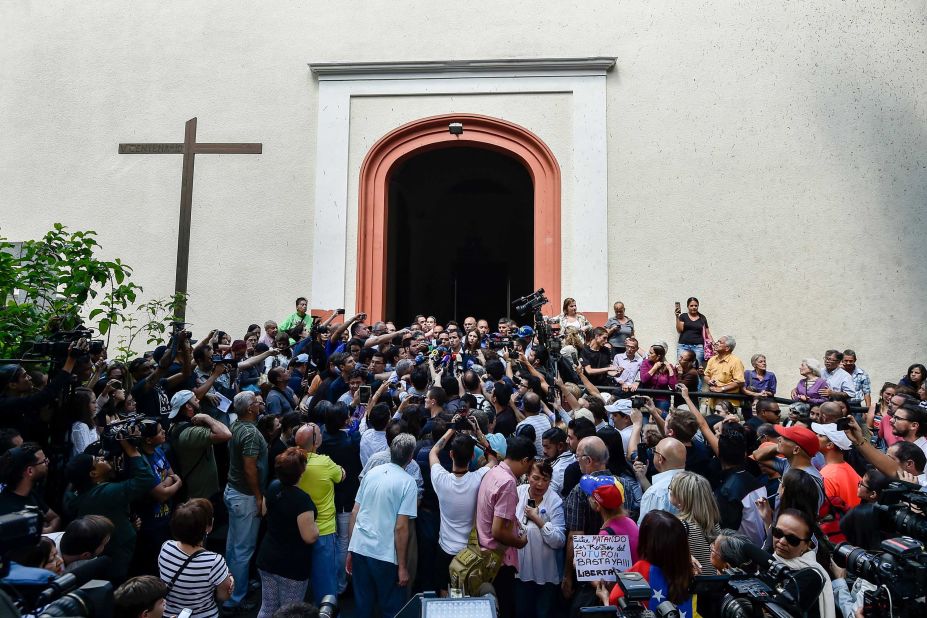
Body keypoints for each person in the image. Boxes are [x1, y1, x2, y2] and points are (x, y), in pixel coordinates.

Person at [64, 435, 157, 582]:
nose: (103, 458)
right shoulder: (104, 493)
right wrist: (132, 451)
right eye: (98, 460)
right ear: (93, 474)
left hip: (108, 553)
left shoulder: (75, 495)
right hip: (117, 558)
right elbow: (145, 480)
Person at [347, 433, 419, 618]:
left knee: (362, 605)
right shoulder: (408, 483)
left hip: (360, 548)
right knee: (392, 608)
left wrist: (350, 549)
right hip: (385, 555)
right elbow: (401, 527)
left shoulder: (371, 473)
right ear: (410, 457)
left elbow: (355, 512)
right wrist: (402, 566)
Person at [429, 420, 495, 596]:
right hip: (470, 551)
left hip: (445, 550)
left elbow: (434, 451)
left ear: (450, 454)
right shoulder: (478, 478)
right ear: (473, 457)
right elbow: (493, 459)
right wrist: (479, 435)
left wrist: (451, 428)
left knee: (445, 592)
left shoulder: (440, 479)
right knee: (469, 592)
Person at [475, 435, 536, 618]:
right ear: (525, 461)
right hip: (498, 560)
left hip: (484, 553)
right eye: (530, 464)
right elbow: (498, 530)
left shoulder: (493, 472)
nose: (530, 469)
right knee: (504, 607)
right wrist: (520, 542)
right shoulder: (508, 483)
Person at [257, 447, 320, 618]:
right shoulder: (302, 500)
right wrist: (317, 528)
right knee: (290, 612)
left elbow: (264, 511)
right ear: (301, 471)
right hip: (292, 565)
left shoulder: (273, 486)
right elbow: (309, 536)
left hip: (268, 557)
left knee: (267, 608)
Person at [223, 391, 268, 613]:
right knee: (242, 550)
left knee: (233, 546)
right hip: (245, 497)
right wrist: (259, 497)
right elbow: (250, 467)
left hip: (234, 492)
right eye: (256, 401)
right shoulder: (250, 433)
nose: (260, 403)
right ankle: (235, 598)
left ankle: (231, 587)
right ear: (249, 409)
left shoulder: (237, 425)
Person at [601, 510, 696, 615]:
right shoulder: (689, 571)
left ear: (645, 540)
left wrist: (605, 598)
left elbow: (615, 606)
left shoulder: (638, 573)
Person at [294, 423, 345, 605]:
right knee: (326, 586)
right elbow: (341, 475)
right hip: (323, 531)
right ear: (315, 442)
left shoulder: (290, 460)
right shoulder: (325, 462)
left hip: (297, 530)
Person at [158, 498, 232, 618]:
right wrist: (230, 584)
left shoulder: (166, 547)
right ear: (208, 527)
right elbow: (223, 596)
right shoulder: (214, 561)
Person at [317, 402, 362, 595]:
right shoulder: (350, 441)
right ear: (344, 420)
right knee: (344, 540)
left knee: (329, 541)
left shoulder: (319, 438)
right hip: (345, 498)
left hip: (325, 497)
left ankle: (328, 583)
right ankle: (341, 583)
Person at [514, 459, 566, 618]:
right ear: (527, 476)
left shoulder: (555, 500)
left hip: (546, 573)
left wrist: (538, 520)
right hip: (520, 572)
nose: (540, 484)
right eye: (536, 478)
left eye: (545, 480)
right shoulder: (517, 492)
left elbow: (559, 540)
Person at [168, 390, 232, 502]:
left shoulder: (177, 425)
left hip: (202, 490)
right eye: (195, 399)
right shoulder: (189, 433)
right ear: (188, 406)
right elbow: (226, 434)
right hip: (201, 495)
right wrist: (207, 418)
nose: (199, 401)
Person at [771, 508, 836, 618]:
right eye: (777, 533)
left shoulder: (812, 575)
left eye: (792, 539)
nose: (781, 541)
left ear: (806, 545)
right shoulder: (767, 559)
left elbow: (775, 610)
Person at [668, 471, 721, 575]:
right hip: (713, 583)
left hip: (694, 584)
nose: (669, 491)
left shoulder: (680, 526)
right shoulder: (713, 522)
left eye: (671, 489)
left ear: (681, 498)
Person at [0, 443, 61, 532]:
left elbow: (55, 518)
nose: (48, 463)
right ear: (30, 471)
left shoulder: (30, 493)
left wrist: (45, 531)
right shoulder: (7, 510)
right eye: (44, 461)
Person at [635, 437, 686, 523]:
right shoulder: (697, 483)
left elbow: (645, 529)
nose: (652, 453)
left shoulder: (655, 493)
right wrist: (642, 477)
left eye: (654, 451)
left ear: (660, 459)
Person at [703, 335, 745, 409]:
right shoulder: (712, 360)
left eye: (720, 342)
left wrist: (721, 389)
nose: (716, 343)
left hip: (729, 405)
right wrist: (709, 381)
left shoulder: (736, 361)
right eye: (717, 341)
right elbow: (706, 375)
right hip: (712, 401)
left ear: (727, 348)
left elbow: (740, 382)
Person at [638, 343, 677, 412]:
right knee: (644, 421)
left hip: (662, 398)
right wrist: (654, 368)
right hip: (646, 397)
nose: (648, 354)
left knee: (662, 419)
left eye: (651, 353)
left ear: (658, 356)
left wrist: (670, 369)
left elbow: (673, 386)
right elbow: (643, 379)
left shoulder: (668, 366)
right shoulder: (645, 362)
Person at [674, 297, 711, 365]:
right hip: (683, 346)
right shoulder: (683, 316)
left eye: (696, 305)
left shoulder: (702, 317)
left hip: (698, 347)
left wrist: (713, 344)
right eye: (691, 305)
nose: (694, 307)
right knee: (680, 367)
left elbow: (707, 333)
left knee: (697, 367)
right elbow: (680, 330)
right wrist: (677, 317)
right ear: (688, 306)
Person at [541, 427, 575, 496]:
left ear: (560, 446)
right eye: (543, 447)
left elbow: (547, 497)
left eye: (548, 447)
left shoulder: (556, 470)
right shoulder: (574, 456)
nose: (544, 451)